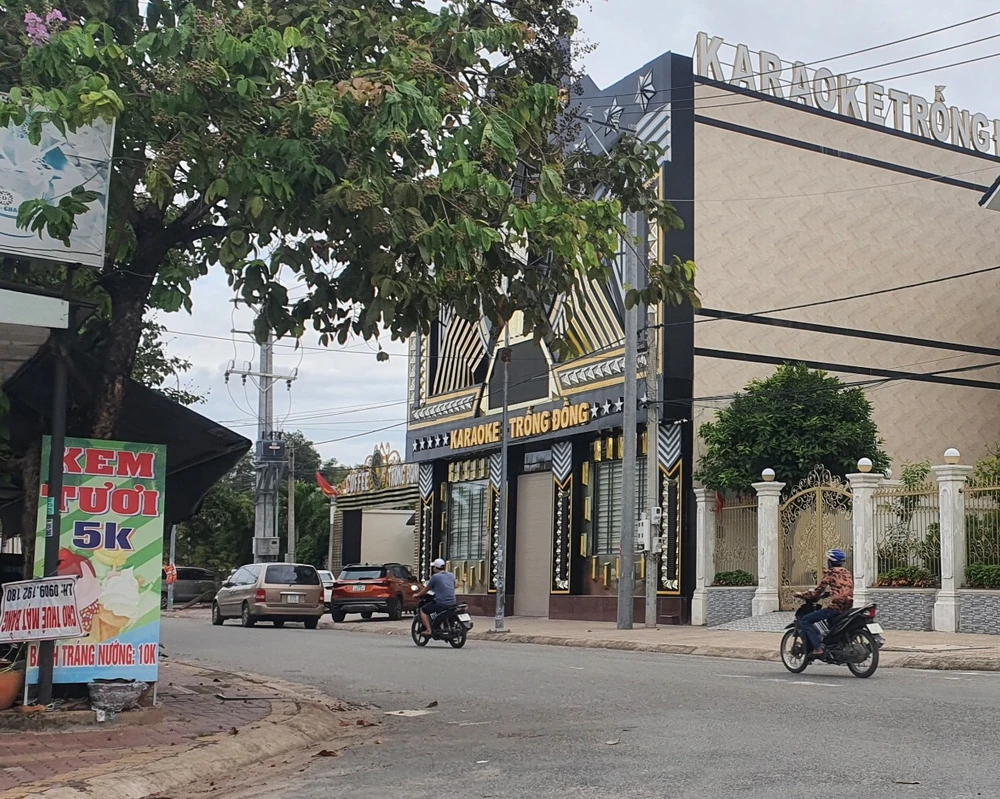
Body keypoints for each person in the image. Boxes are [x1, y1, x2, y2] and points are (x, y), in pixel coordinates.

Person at [794, 548, 853, 659]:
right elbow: (843, 588)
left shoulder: (830, 573)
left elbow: (817, 592)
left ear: (830, 562)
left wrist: (802, 594)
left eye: (828, 560)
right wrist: (830, 593)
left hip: (835, 608)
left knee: (805, 620)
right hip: (847, 607)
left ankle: (818, 648)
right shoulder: (847, 573)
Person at [415, 558, 456, 638]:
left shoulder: (435, 577)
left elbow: (427, 588)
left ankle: (429, 630)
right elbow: (453, 585)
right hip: (452, 602)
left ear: (436, 568)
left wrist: (417, 595)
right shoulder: (451, 575)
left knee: (423, 610)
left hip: (441, 603)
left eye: (434, 567)